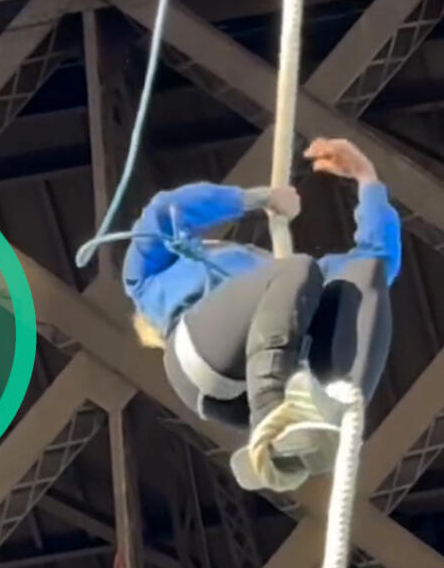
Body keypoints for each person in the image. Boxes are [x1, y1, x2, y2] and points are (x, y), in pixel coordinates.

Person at [122, 137, 401, 492]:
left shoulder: (282, 278)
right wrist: (255, 199)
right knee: (296, 270)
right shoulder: (146, 280)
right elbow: (164, 212)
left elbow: (375, 263)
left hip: (254, 385)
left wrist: (368, 180)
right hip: (200, 355)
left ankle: (335, 412)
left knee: (363, 275)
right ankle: (271, 415)